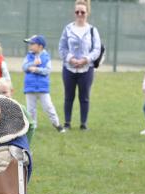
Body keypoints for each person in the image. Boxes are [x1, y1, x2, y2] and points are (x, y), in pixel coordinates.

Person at [58, 0, 101, 130]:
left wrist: (85, 59)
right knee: (68, 97)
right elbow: (62, 47)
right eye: (77, 12)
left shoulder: (92, 30)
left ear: (87, 13)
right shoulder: (68, 28)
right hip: (69, 68)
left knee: (84, 97)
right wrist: (70, 59)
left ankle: (83, 124)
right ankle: (67, 122)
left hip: (86, 69)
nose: (80, 14)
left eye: (82, 12)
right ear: (74, 13)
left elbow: (96, 49)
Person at [22, 35, 65, 133]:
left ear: (40, 46)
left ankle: (57, 124)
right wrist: (33, 63)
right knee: (31, 109)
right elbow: (24, 67)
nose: (30, 46)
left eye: (32, 44)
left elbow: (47, 70)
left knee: (48, 107)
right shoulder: (29, 56)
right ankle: (32, 126)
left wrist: (36, 69)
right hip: (30, 87)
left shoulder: (46, 56)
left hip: (43, 88)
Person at [0, 77, 36, 143]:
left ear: (11, 92)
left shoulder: (20, 108)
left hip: (16, 145)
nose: (1, 95)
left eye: (4, 92)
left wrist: (26, 143)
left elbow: (31, 125)